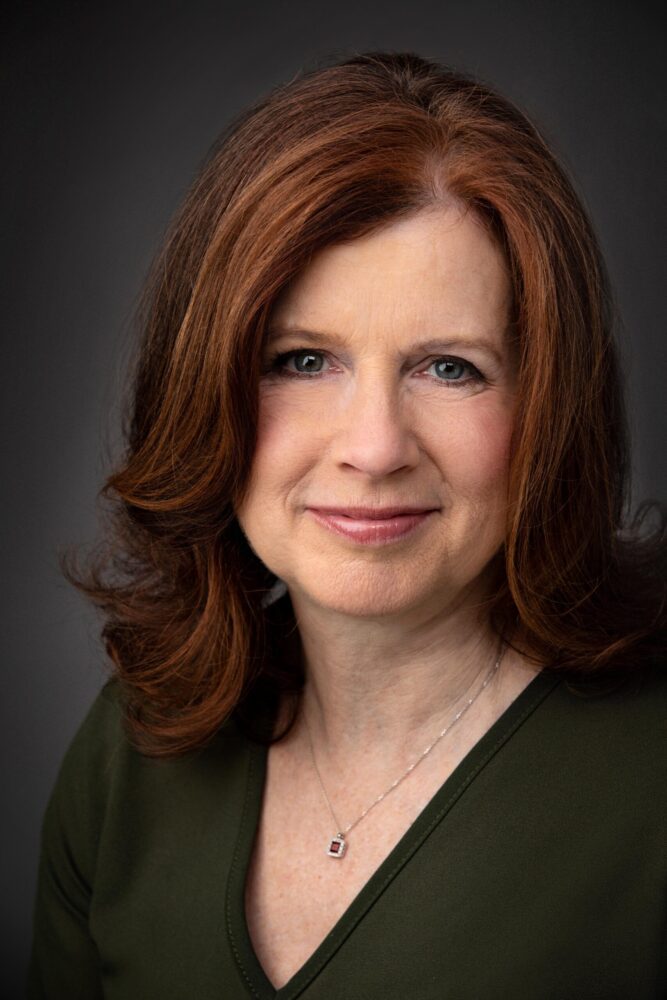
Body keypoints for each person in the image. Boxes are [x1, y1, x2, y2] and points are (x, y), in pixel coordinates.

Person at [28, 51, 666, 999]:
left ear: (550, 408)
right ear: (206, 388)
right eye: (300, 360)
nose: (373, 449)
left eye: (449, 368)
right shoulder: (134, 750)